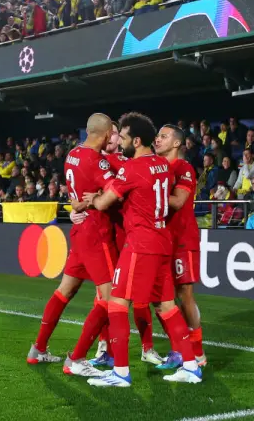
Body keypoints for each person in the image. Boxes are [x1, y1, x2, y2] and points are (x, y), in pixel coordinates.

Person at [83, 112, 201, 387]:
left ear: (136, 141)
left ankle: (120, 372)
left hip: (140, 243)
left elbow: (103, 204)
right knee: (167, 305)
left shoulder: (131, 168)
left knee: (117, 302)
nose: (119, 141)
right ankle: (191, 366)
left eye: (122, 137)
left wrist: (94, 198)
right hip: (162, 241)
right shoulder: (161, 164)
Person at [27, 113, 116, 379]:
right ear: (106, 134)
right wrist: (98, 197)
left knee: (65, 290)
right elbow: (115, 193)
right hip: (97, 233)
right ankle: (76, 358)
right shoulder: (97, 161)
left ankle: (38, 348)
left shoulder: (73, 154)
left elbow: (76, 194)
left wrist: (83, 202)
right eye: (112, 132)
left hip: (80, 231)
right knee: (111, 297)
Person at [154, 125, 206, 370]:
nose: (158, 139)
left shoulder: (183, 168)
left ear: (176, 144)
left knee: (184, 295)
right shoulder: (157, 168)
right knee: (161, 298)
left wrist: (146, 194)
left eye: (164, 136)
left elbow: (179, 201)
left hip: (182, 239)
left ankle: (196, 351)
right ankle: (178, 348)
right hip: (161, 240)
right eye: (158, 136)